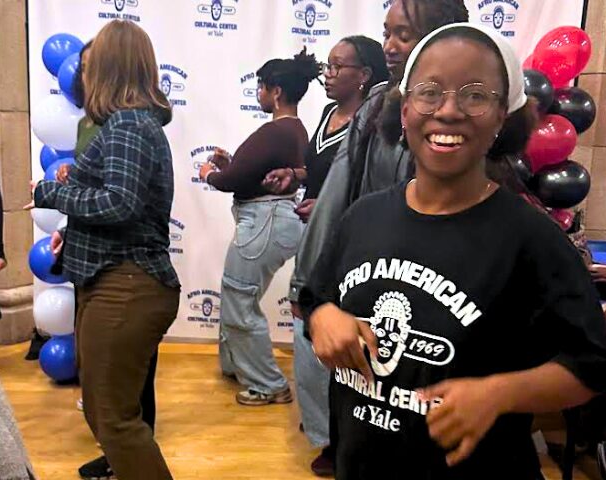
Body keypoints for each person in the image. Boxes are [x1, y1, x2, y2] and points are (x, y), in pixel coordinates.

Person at [299, 23, 606, 479]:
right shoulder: (362, 219)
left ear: (503, 119)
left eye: (475, 95)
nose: (448, 110)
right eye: (429, 92)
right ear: (405, 110)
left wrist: (499, 393)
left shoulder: (531, 240)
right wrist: (322, 317)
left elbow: (592, 370)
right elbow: (316, 298)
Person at [30, 20, 179, 480]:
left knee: (114, 421)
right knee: (102, 412)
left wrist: (54, 195)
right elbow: (116, 200)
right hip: (113, 279)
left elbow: (119, 202)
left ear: (110, 70)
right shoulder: (126, 125)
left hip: (127, 283)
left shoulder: (129, 126)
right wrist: (71, 223)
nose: (81, 75)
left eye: (90, 66)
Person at [262, 36, 388, 477]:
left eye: (338, 67)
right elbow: (322, 172)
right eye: (328, 66)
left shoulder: (380, 124)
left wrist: (332, 207)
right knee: (308, 337)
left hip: (352, 246)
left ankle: (341, 439)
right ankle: (326, 430)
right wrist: (294, 176)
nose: (328, 74)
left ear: (365, 76)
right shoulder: (325, 115)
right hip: (315, 239)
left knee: (343, 343)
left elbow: (373, 186)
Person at [288, 0, 470, 306]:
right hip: (369, 273)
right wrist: (305, 282)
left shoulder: (469, 113)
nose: (390, 46)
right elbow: (337, 190)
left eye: (403, 35)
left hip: (440, 287)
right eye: (387, 34)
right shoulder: (376, 102)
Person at [196, 48, 320, 406]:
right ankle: (241, 366)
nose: (258, 93)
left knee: (238, 298)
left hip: (263, 223)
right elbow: (255, 174)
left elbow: (230, 181)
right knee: (241, 296)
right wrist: (231, 164)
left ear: (276, 91)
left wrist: (211, 173)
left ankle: (268, 383)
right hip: (271, 221)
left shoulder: (276, 131)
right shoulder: (294, 130)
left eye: (261, 87)